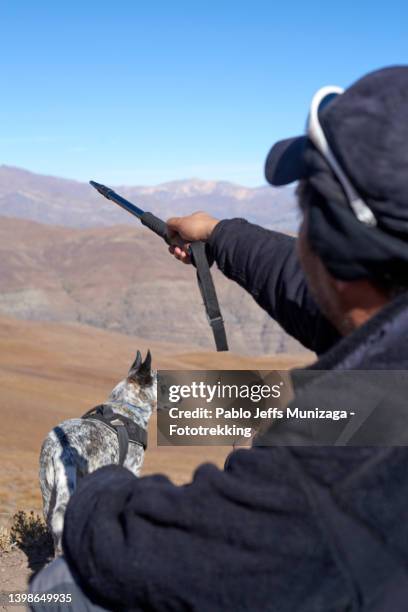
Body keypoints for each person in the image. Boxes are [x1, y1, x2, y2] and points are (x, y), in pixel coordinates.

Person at [30, 66, 408, 611]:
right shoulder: (387, 332)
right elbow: (310, 290)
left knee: (58, 593)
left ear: (338, 253)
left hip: (297, 554)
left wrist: (96, 482)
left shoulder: (330, 484)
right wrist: (220, 236)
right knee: (242, 414)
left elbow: (149, 552)